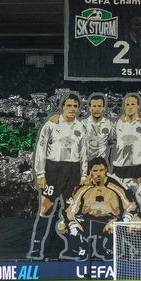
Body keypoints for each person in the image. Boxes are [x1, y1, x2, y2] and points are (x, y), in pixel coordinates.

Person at [27, 93, 87, 260]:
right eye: (69, 105)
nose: (72, 109)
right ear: (63, 107)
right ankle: (36, 247)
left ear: (78, 109)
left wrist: (83, 176)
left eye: (75, 106)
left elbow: (84, 154)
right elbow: (41, 149)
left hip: (73, 170)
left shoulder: (80, 127)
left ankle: (74, 248)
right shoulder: (51, 124)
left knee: (71, 211)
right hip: (53, 168)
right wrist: (40, 173)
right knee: (46, 207)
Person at [58, 158, 137, 260]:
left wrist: (124, 221)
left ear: (106, 171)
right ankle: (79, 248)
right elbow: (71, 210)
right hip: (87, 221)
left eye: (101, 170)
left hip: (108, 221)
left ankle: (109, 248)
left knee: (114, 226)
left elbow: (131, 206)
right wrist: (71, 223)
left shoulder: (116, 186)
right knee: (63, 225)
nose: (98, 174)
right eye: (95, 171)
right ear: (90, 172)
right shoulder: (82, 188)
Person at [109, 93, 141, 181]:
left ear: (138, 106)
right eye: (127, 104)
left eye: (133, 104)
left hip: (138, 166)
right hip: (120, 165)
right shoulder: (118, 123)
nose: (130, 107)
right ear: (124, 106)